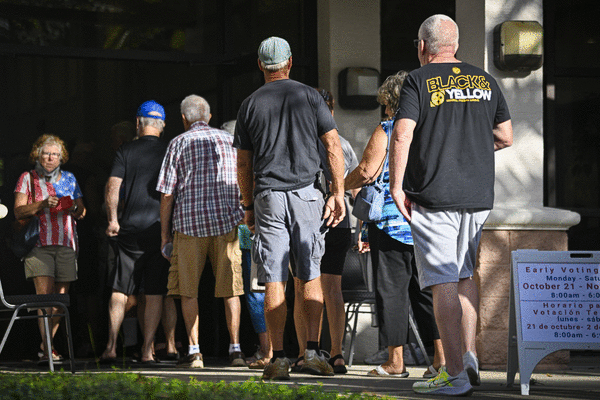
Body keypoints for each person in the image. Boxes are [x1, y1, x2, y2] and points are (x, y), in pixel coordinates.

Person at [388, 15, 513, 396]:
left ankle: (455, 374)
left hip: (434, 195)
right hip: (477, 197)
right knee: (463, 276)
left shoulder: (418, 80)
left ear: (422, 46)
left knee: (442, 279)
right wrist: (470, 150)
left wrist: (396, 186)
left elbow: (402, 134)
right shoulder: (485, 81)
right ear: (455, 45)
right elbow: (505, 136)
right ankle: (469, 356)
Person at [234, 36, 346, 380]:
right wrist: (338, 192)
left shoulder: (249, 104)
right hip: (307, 195)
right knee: (309, 273)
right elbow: (332, 145)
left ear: (260, 65)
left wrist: (248, 205)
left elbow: (243, 163)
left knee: (274, 277)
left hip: (268, 196)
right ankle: (311, 352)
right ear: (290, 62)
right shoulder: (311, 96)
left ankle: (279, 357)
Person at [345, 71, 445, 379]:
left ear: (391, 102)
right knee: (427, 293)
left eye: (385, 103)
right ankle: (442, 360)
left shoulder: (388, 129)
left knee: (392, 292)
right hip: (426, 222)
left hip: (391, 223)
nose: (384, 109)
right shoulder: (431, 130)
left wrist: (340, 185)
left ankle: (395, 362)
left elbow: (366, 170)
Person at [157, 95, 246, 369]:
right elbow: (245, 178)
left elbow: (167, 194)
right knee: (231, 289)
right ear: (208, 116)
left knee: (188, 290)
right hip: (227, 225)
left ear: (184, 119)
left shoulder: (178, 143)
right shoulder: (229, 140)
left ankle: (195, 352)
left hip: (189, 226)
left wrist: (164, 235)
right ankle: (236, 349)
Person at [99, 100, 178, 364]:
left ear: (137, 123)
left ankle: (111, 347)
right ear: (162, 125)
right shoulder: (170, 150)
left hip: (130, 229)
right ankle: (147, 351)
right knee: (155, 292)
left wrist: (113, 220)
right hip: (160, 230)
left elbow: (113, 186)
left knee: (120, 289)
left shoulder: (126, 150)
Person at [292, 88, 358, 374]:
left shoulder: (298, 143)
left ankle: (304, 353)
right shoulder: (342, 144)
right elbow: (356, 189)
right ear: (330, 111)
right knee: (332, 289)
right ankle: (337, 353)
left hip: (306, 222)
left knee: (302, 288)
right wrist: (362, 227)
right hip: (339, 221)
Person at [14, 134, 86, 363]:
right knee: (45, 298)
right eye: (46, 153)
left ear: (61, 157)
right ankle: (48, 349)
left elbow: (82, 211)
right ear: (37, 155)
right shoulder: (27, 178)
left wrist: (72, 206)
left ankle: (46, 345)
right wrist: (42, 204)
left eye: (55, 154)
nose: (50, 158)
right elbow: (18, 211)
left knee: (60, 301)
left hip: (66, 244)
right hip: (39, 245)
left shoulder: (70, 178)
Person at [221, 119, 272, 370]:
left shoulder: (235, 163)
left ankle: (267, 348)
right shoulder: (261, 156)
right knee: (266, 288)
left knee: (255, 291)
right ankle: (270, 347)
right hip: (263, 228)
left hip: (246, 230)